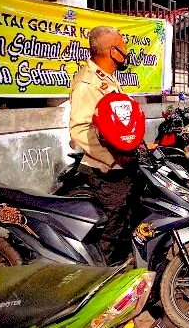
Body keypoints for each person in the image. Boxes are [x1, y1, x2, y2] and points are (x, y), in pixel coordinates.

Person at [69, 26, 133, 265]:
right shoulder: (87, 83)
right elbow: (80, 130)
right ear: (111, 51)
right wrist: (114, 158)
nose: (126, 53)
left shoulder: (107, 79)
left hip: (122, 164)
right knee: (111, 227)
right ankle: (99, 281)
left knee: (127, 222)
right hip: (105, 170)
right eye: (123, 47)